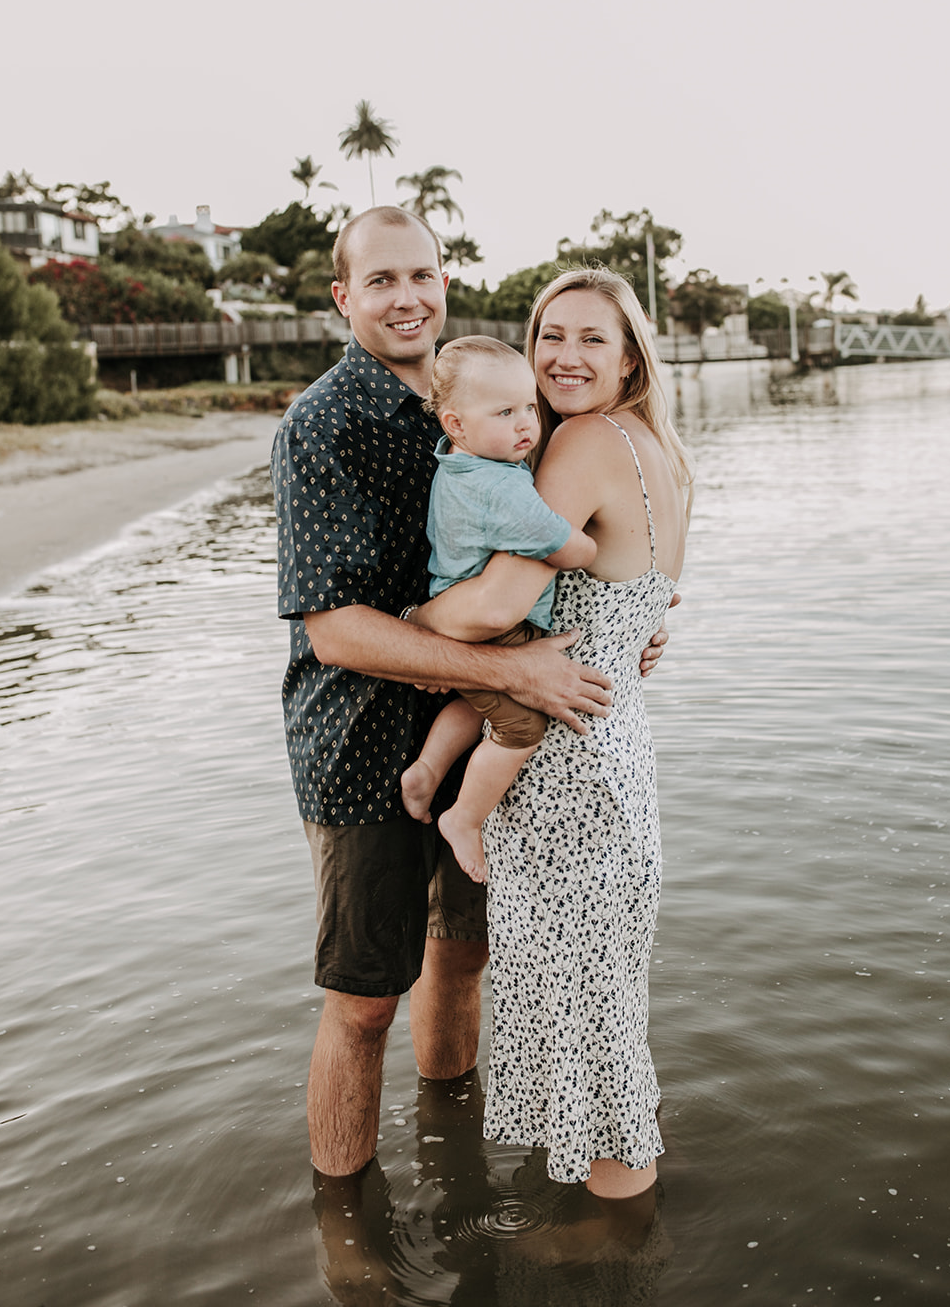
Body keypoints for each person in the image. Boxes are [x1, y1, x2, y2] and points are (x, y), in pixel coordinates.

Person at [270, 208, 666, 1179]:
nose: (405, 297)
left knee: (464, 958)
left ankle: (451, 1163)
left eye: (421, 275)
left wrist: (630, 617)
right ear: (343, 298)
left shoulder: (489, 394)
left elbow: (568, 542)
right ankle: (348, 1236)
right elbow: (332, 629)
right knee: (364, 999)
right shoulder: (322, 425)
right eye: (379, 281)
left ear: (443, 281)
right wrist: (509, 670)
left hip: (487, 745)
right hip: (367, 740)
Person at [407, 266, 693, 1201]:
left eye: (591, 339)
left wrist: (406, 626)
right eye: (550, 337)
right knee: (603, 1007)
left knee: (581, 1009)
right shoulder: (658, 447)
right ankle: (608, 1224)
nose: (566, 357)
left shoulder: (575, 443)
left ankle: (606, 1246)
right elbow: (644, 603)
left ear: (629, 356)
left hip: (565, 761)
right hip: (618, 756)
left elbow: (494, 608)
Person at [401, 335, 598, 883]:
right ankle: (463, 818)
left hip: (453, 608)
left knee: (478, 703)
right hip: (491, 634)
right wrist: (590, 546)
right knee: (521, 726)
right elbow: (567, 544)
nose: (525, 425)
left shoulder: (460, 466)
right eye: (505, 412)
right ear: (456, 425)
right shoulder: (498, 489)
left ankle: (426, 772)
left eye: (530, 407)